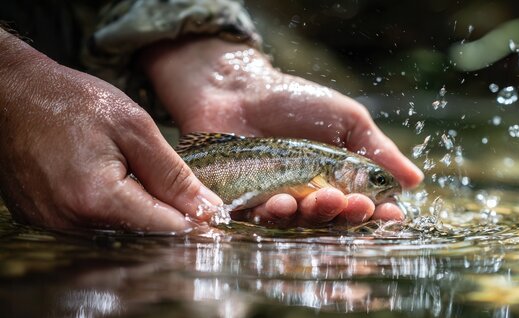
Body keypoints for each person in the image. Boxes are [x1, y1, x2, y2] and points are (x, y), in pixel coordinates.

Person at [0, 0, 423, 232]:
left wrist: (205, 51)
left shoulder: (323, 173)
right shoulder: (320, 168)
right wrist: (13, 83)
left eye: (379, 180)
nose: (383, 186)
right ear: (343, 173)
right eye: (376, 180)